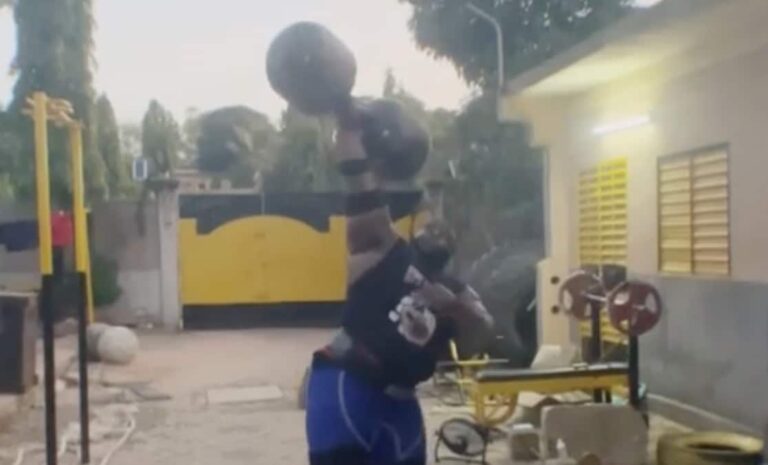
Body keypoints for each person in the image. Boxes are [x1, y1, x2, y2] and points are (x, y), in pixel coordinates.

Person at [305, 113, 495, 465]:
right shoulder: (384, 251)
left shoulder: (456, 289)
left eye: (448, 228)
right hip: (348, 385)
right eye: (433, 224)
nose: (440, 230)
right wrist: (347, 126)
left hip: (401, 403)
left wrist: (451, 305)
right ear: (417, 229)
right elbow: (360, 190)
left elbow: (483, 332)